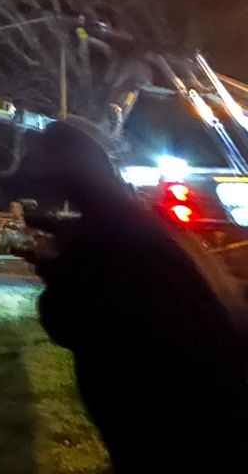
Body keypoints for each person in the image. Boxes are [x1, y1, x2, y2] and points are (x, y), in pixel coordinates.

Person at [18, 121, 245, 470]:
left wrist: (47, 265)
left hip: (161, 415)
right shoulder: (138, 220)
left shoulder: (100, 241)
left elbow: (66, 320)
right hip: (206, 404)